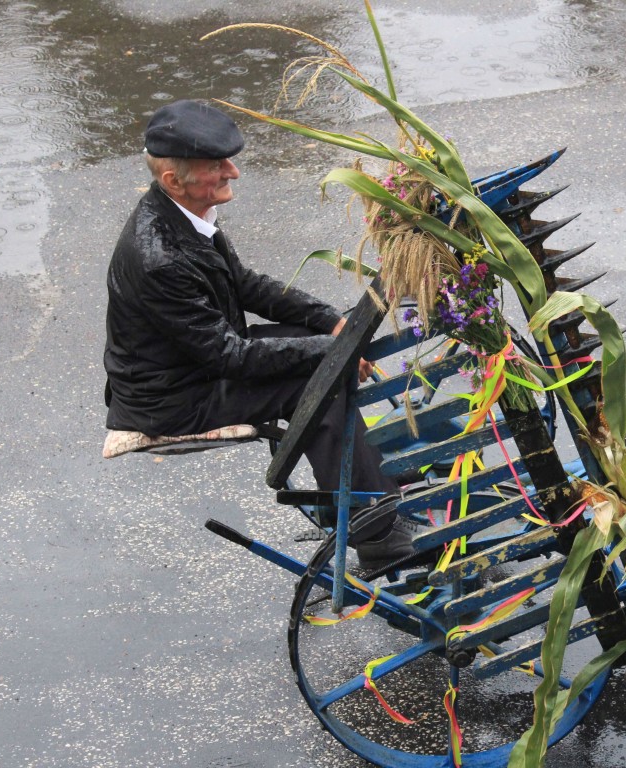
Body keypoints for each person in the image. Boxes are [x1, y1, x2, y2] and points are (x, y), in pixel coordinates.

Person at [103, 99, 416, 566]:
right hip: (175, 398)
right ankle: (377, 534)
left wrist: (329, 321)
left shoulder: (182, 213)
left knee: (316, 348)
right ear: (174, 180)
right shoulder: (160, 260)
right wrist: (330, 352)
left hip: (196, 365)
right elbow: (229, 358)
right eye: (217, 166)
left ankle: (369, 477)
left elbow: (244, 284)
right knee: (319, 385)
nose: (233, 172)